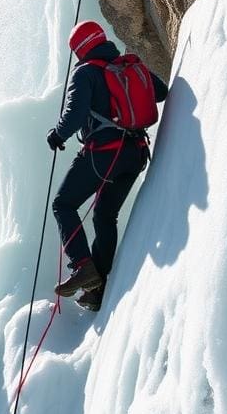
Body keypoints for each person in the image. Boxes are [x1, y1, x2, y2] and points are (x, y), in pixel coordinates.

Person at [47, 20, 168, 310]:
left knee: (63, 204)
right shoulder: (128, 65)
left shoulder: (86, 72)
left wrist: (58, 135)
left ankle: (83, 266)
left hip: (104, 154)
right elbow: (161, 91)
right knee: (104, 216)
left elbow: (75, 114)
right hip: (135, 153)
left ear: (80, 49)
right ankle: (98, 290)